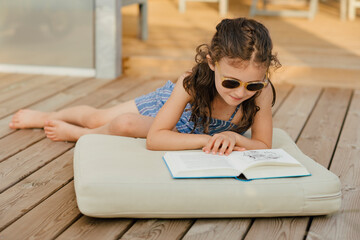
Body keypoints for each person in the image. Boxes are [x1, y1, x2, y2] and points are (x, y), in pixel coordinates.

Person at [9, 18, 281, 155]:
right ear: (212, 63)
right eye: (231, 82)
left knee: (124, 125)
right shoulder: (192, 83)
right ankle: (59, 123)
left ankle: (82, 131)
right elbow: (156, 137)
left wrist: (234, 138)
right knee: (99, 118)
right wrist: (206, 141)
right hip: (167, 113)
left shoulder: (262, 93)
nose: (240, 93)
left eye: (252, 84)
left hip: (183, 132)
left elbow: (263, 145)